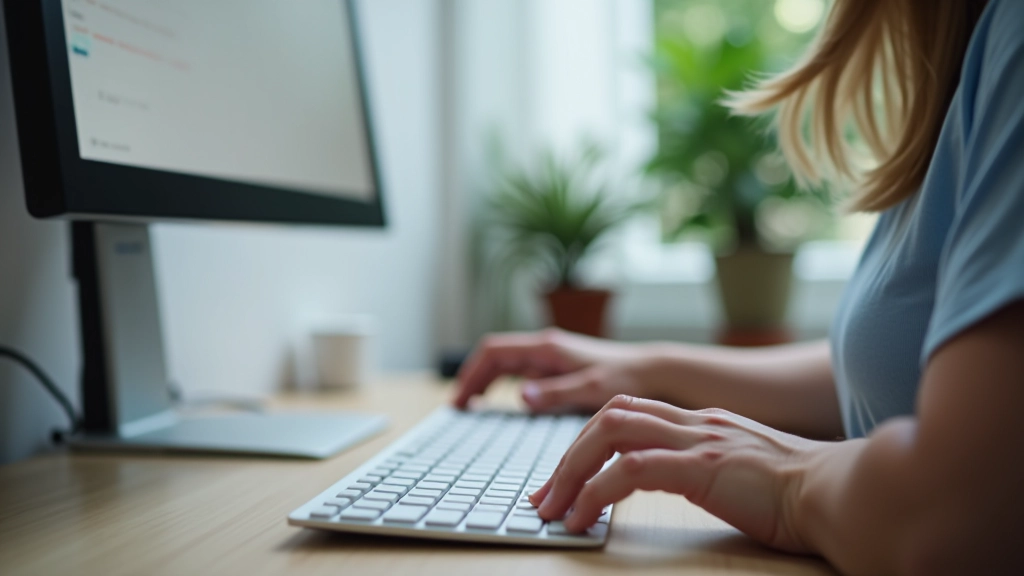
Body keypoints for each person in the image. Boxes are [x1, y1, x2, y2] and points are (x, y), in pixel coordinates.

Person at [453, 0, 1024, 573]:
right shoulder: (969, 51)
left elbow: (956, 518)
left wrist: (789, 482)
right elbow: (899, 376)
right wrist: (652, 370)